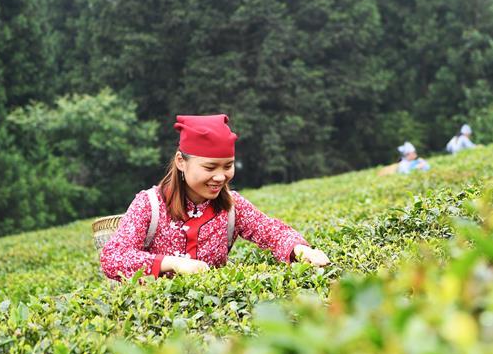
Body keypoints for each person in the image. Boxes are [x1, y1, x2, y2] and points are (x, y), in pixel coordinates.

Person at [100, 114, 330, 281]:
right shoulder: (150, 205)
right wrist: (172, 263)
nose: (220, 177)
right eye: (210, 167)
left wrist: (302, 251)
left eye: (228, 166)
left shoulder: (232, 205)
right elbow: (113, 257)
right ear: (181, 162)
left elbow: (271, 231)